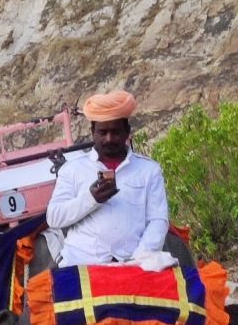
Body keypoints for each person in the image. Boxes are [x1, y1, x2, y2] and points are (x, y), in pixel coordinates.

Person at [46, 89, 169, 267]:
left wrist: (140, 258)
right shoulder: (72, 169)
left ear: (127, 131)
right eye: (103, 132)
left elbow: (158, 220)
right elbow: (54, 218)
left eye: (115, 132)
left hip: (136, 263)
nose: (109, 139)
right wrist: (91, 199)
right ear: (93, 132)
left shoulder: (149, 170)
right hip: (81, 264)